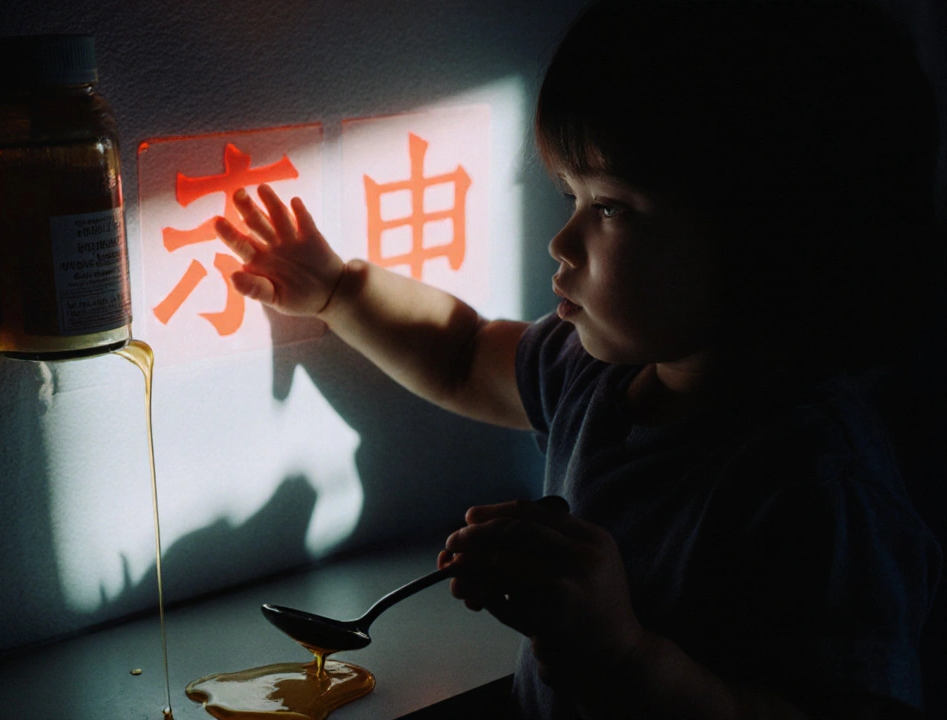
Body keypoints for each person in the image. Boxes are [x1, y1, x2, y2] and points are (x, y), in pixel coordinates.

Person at [214, 0, 943, 717]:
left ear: (770, 238)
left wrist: (623, 656)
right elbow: (462, 353)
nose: (561, 243)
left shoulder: (820, 486)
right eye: (571, 195)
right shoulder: (595, 375)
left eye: (610, 207)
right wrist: (338, 290)